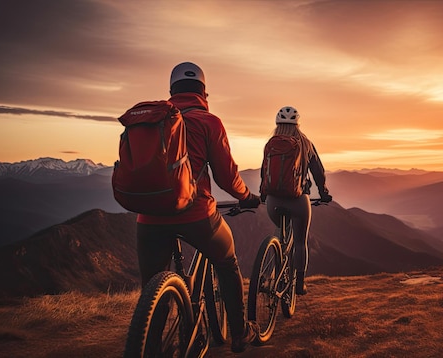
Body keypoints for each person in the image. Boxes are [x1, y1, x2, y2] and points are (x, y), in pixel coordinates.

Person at [136, 62, 261, 353]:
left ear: (171, 91)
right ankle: (240, 333)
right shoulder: (209, 122)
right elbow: (226, 176)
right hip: (195, 215)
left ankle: (148, 346)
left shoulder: (154, 120)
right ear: (204, 92)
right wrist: (246, 197)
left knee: (153, 293)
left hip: (148, 218)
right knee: (227, 262)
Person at [260, 106, 332, 295]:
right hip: (298, 200)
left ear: (277, 124)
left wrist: (263, 195)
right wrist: (323, 193)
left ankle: (271, 273)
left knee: (279, 234)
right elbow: (319, 173)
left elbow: (264, 172)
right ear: (297, 124)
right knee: (300, 242)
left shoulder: (271, 144)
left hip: (273, 201)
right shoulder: (305, 144)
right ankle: (299, 284)